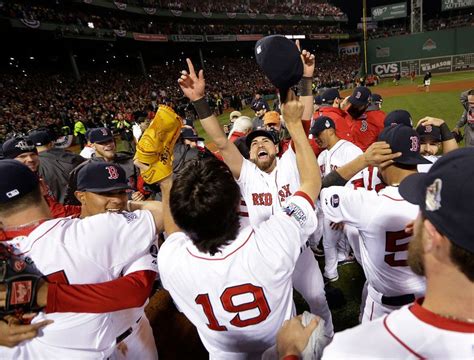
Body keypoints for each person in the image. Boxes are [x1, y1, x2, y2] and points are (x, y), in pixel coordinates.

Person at [159, 75, 322, 358]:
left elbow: (303, 128)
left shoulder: (172, 259)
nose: (260, 143)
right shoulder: (247, 174)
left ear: (277, 147)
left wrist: (305, 82)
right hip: (268, 251)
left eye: (266, 140)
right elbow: (222, 143)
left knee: (319, 301)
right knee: (305, 316)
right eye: (254, 141)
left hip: (284, 255)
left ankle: (326, 339)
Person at [322, 148, 474, 359]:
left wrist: (291, 354)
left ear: (430, 237)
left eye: (422, 210)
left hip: (384, 308)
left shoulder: (350, 350)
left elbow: (322, 189)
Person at [0, 160, 161, 358]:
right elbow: (160, 213)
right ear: (80, 196)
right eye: (106, 193)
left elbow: (137, 292)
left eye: (121, 192)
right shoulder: (110, 231)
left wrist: (50, 296)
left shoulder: (126, 230)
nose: (117, 199)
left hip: (132, 336)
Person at [320, 124, 429, 322]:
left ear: (383, 160)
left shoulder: (368, 204)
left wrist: (363, 160)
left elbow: (325, 187)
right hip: (431, 303)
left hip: (386, 308)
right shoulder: (441, 194)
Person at [311, 116, 363, 281]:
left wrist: (344, 213)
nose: (316, 138)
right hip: (330, 206)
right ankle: (333, 270)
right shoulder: (322, 156)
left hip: (349, 208)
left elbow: (358, 185)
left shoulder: (351, 151)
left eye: (318, 134)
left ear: (331, 130)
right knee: (329, 241)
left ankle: (372, 277)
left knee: (358, 246)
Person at [2, 137, 81, 218]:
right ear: (10, 160)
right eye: (22, 156)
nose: (30, 159)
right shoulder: (8, 184)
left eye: (33, 154)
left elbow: (55, 209)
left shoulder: (33, 177)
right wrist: (84, 211)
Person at [28, 129, 85, 204]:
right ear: (51, 143)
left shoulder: (31, 165)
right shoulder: (73, 156)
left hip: (57, 211)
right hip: (82, 204)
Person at [88, 127, 144, 201]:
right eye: (102, 142)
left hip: (135, 209)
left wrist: (141, 194)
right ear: (92, 145)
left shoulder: (129, 160)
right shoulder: (88, 170)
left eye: (110, 141)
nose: (108, 145)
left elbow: (144, 187)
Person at [343, 87, 384, 151]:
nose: (355, 106)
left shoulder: (377, 118)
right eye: (354, 103)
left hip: (364, 154)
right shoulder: (347, 113)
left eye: (359, 104)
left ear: (367, 103)